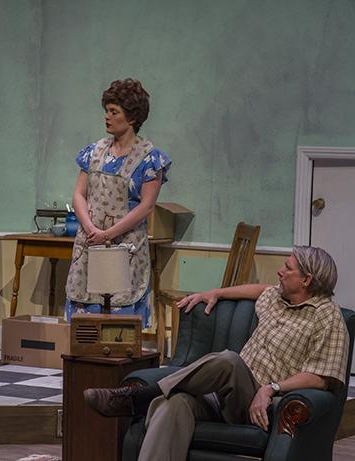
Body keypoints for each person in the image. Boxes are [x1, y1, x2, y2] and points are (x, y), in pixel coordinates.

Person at [83, 246, 349, 461]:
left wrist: (270, 388)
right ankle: (145, 399)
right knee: (173, 404)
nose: (280, 272)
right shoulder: (278, 299)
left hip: (263, 404)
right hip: (224, 396)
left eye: (288, 268)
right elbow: (259, 289)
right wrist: (214, 293)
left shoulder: (326, 316)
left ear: (307, 279)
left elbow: (321, 378)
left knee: (229, 360)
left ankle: (137, 398)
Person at [64, 78, 171, 327]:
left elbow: (146, 206)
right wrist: (91, 229)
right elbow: (79, 194)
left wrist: (108, 234)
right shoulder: (94, 152)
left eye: (114, 112)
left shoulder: (149, 158)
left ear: (132, 118)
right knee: (87, 316)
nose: (107, 117)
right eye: (107, 111)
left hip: (125, 246)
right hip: (91, 241)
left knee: (120, 320)